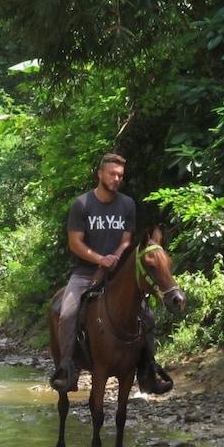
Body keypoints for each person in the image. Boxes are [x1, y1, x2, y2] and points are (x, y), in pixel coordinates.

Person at [49, 153, 172, 394]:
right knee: (67, 313)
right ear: (100, 174)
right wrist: (99, 259)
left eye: (120, 175)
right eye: (112, 174)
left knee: (146, 315)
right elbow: (75, 242)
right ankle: (67, 368)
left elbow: (127, 239)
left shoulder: (127, 204)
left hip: (117, 273)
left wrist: (114, 258)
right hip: (85, 272)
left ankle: (148, 370)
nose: (116, 179)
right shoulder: (82, 204)